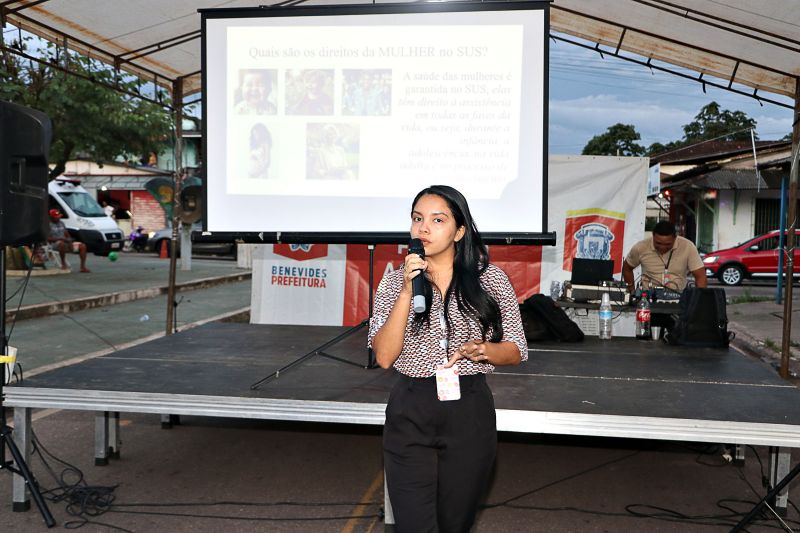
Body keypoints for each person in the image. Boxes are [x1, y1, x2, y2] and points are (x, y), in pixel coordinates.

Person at [368, 185, 528, 532]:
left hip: (468, 409)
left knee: (455, 524)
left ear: (459, 231)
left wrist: (483, 349)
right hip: (410, 408)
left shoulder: (491, 280)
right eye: (417, 219)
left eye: (437, 220)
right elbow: (383, 356)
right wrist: (408, 293)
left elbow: (516, 349)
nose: (423, 229)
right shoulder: (395, 282)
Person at [622, 220, 707, 293]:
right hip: (648, 297)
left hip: (679, 297)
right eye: (658, 243)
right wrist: (631, 292)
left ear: (675, 238)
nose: (662, 247)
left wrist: (698, 301)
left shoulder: (688, 246)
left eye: (668, 244)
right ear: (653, 236)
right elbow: (627, 268)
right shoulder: (640, 247)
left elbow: (700, 276)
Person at [47, 209, 90, 273]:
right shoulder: (48, 225)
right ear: (51, 217)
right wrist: (61, 239)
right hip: (55, 244)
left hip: (65, 242)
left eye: (59, 216)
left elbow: (67, 234)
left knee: (82, 246)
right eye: (56, 217)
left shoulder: (61, 223)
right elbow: (48, 238)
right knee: (62, 244)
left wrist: (69, 240)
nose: (58, 218)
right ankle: (63, 263)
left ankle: (82, 267)